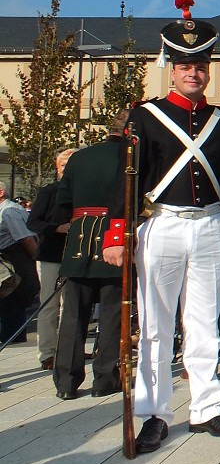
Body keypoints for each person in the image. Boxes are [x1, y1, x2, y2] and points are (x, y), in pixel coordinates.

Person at [101, 0, 220, 453]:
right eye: (184, 64)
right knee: (157, 327)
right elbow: (129, 176)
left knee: (204, 324)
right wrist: (116, 231)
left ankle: (207, 407)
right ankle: (156, 414)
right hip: (161, 227)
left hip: (209, 227)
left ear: (209, 67)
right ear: (171, 66)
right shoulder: (146, 116)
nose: (193, 72)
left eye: (200, 64)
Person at [53, 115, 126, 399]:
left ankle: (66, 382)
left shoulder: (79, 158)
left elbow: (63, 200)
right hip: (113, 236)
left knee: (73, 314)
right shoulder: (128, 157)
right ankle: (105, 378)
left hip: (81, 238)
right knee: (111, 314)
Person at [28, 148, 76, 370]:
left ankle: (68, 349)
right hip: (50, 255)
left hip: (74, 254)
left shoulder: (81, 191)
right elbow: (33, 222)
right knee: (49, 304)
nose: (67, 169)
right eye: (64, 165)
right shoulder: (49, 192)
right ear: (57, 168)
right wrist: (57, 228)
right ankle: (47, 352)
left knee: (71, 305)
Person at [0, 180, 40, 343]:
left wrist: (37, 261)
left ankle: (13, 341)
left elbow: (26, 238)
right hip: (10, 258)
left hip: (15, 260)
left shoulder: (9, 211)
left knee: (11, 301)